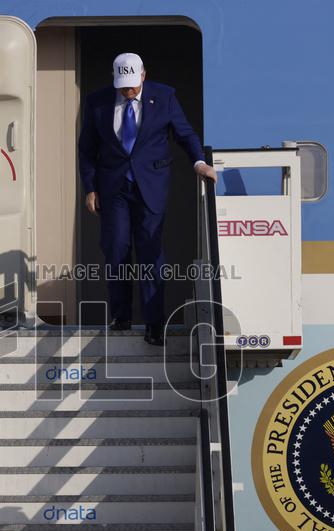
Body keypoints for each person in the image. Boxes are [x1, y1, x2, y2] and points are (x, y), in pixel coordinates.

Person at [78, 52, 217, 346]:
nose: (127, 91)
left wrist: (199, 163)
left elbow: (185, 134)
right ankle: (122, 315)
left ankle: (155, 324)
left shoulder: (164, 97)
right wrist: (90, 188)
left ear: (143, 75)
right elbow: (87, 149)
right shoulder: (97, 102)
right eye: (122, 86)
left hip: (151, 186)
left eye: (132, 84)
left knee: (151, 252)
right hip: (113, 187)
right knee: (115, 249)